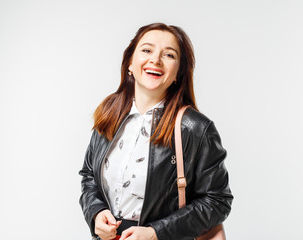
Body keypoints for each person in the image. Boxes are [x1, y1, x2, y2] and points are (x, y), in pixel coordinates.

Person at [79, 23, 233, 240]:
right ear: (130, 63)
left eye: (169, 54)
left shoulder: (195, 128)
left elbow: (217, 201)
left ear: (178, 72)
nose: (156, 60)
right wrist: (95, 213)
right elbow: (88, 176)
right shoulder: (109, 113)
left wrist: (155, 233)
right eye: (147, 50)